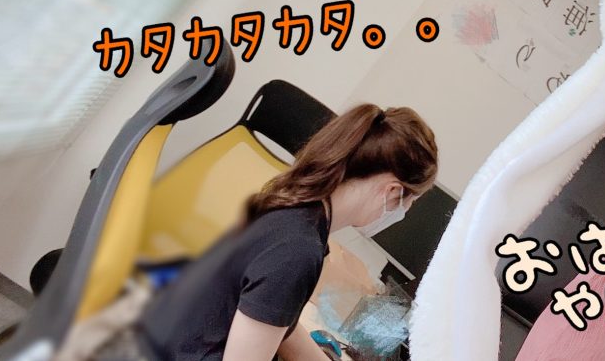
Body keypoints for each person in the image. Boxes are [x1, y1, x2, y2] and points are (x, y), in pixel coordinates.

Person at [96, 103, 438, 361]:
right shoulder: (298, 250)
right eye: (409, 203)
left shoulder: (293, 204)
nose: (401, 214)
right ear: (393, 192)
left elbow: (272, 317)